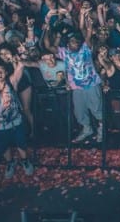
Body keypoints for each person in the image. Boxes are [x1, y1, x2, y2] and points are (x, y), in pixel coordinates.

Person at [43, 9, 105, 143]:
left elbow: (88, 35)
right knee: (80, 112)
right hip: (76, 87)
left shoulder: (85, 49)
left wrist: (89, 26)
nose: (75, 43)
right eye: (73, 41)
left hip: (91, 84)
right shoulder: (64, 52)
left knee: (97, 110)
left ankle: (101, 131)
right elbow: (48, 45)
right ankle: (87, 129)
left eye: (77, 41)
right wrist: (47, 28)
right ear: (68, 42)